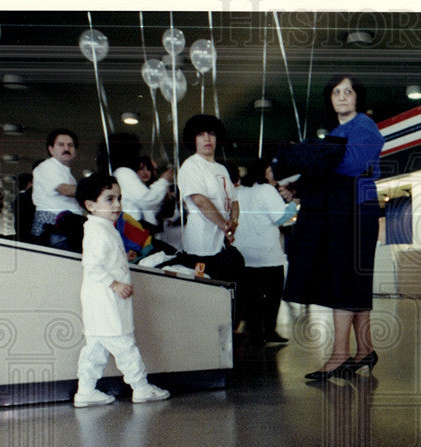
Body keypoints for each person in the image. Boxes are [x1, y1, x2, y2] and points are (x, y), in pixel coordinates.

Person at [278, 74, 385, 381]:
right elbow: (329, 171)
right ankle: (365, 349)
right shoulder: (339, 131)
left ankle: (340, 355)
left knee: (345, 280)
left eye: (348, 91)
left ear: (357, 97)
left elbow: (349, 165)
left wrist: (309, 160)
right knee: (353, 281)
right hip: (345, 207)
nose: (341, 97)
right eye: (336, 92)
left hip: (355, 208)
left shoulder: (364, 126)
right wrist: (301, 186)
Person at [72, 173, 170, 407]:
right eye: (109, 199)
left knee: (95, 349)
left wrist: (122, 258)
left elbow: (104, 259)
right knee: (124, 344)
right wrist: (115, 284)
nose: (117, 204)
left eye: (119, 198)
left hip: (100, 302)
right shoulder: (98, 230)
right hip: (107, 300)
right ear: (90, 205)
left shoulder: (104, 227)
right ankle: (141, 386)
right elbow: (92, 265)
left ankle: (85, 391)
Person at [177, 114, 245, 307]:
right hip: (201, 245)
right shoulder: (191, 166)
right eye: (201, 134)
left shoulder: (222, 169)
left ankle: (225, 334)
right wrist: (224, 225)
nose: (207, 139)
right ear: (193, 139)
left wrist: (234, 222)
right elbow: (199, 200)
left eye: (211, 134)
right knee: (204, 297)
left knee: (225, 295)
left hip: (221, 245)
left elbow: (234, 201)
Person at [233, 157, 297, 347]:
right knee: (272, 295)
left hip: (244, 254)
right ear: (264, 171)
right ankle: (269, 331)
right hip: (267, 254)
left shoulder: (239, 191)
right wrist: (293, 203)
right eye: (271, 170)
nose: (274, 174)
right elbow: (281, 218)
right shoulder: (267, 190)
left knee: (250, 296)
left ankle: (254, 332)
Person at [101, 133, 174, 232]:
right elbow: (147, 200)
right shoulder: (124, 173)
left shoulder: (118, 173)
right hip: (134, 226)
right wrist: (164, 180)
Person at [31, 128, 83, 249]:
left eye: (70, 145)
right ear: (51, 149)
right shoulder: (48, 167)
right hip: (53, 227)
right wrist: (94, 191)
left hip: (66, 227)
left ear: (75, 151)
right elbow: (66, 190)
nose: (66, 148)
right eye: (61, 145)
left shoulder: (65, 172)